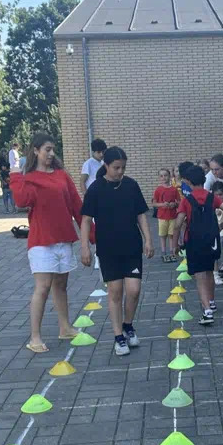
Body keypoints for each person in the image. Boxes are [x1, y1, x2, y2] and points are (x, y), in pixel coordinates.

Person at [9, 133, 93, 353]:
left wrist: (92, 236)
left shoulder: (62, 176)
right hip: (41, 241)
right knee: (43, 287)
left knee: (61, 285)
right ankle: (35, 337)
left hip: (63, 238)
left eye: (53, 149)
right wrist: (15, 175)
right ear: (35, 151)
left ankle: (65, 327)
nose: (51, 153)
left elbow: (76, 205)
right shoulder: (29, 178)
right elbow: (20, 200)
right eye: (47, 149)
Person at [80, 146, 153, 356]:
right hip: (108, 248)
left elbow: (141, 215)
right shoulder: (95, 189)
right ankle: (118, 336)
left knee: (134, 290)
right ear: (106, 166)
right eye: (116, 167)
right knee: (115, 292)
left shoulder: (131, 185)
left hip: (131, 245)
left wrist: (148, 240)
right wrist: (85, 246)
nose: (120, 171)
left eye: (123, 167)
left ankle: (128, 325)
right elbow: (85, 220)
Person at [175, 165, 223, 325]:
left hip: (194, 242)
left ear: (188, 181)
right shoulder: (212, 197)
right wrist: (220, 227)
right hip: (212, 240)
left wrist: (176, 243)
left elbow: (178, 223)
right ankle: (212, 302)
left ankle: (207, 311)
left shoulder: (187, 201)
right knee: (209, 272)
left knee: (200, 276)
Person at [152, 168, 180, 262]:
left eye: (165, 175)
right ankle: (163, 252)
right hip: (162, 217)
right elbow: (154, 203)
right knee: (163, 235)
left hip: (173, 216)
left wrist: (174, 204)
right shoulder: (158, 190)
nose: (164, 177)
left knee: (171, 235)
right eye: (161, 176)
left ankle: (172, 252)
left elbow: (179, 202)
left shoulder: (174, 189)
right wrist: (163, 204)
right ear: (159, 178)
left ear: (170, 176)